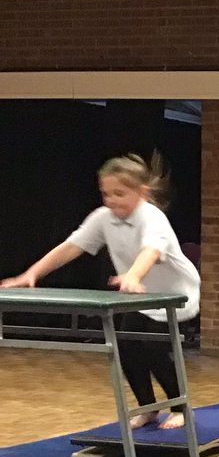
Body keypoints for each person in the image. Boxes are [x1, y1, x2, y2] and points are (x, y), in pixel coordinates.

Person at [1, 153, 201, 430]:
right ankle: (148, 408)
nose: (112, 200)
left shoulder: (152, 217)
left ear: (141, 192)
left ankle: (180, 408)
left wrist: (132, 274)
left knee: (152, 347)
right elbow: (71, 247)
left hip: (175, 294)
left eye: (120, 193)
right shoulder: (103, 218)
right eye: (106, 193)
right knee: (126, 347)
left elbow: (151, 251)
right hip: (140, 295)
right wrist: (32, 273)